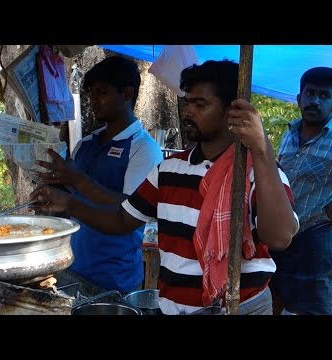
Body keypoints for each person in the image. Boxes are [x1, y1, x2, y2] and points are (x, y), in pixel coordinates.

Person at [30, 60, 299, 315]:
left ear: (233, 111)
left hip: (241, 307)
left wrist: (261, 149)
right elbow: (122, 218)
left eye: (200, 103)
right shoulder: (170, 169)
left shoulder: (257, 171)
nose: (188, 111)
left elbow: (279, 238)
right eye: (187, 102)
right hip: (174, 306)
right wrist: (69, 204)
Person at [34, 55, 163, 295]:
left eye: (102, 92)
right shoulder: (85, 144)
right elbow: (69, 197)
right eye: (91, 93)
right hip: (70, 266)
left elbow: (131, 209)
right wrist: (49, 195)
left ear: (126, 94)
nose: (93, 100)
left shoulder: (144, 149)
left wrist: (77, 180)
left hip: (114, 278)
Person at [269, 67, 332, 315]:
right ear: (299, 98)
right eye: (310, 93)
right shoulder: (290, 134)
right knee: (274, 300)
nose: (315, 101)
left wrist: (326, 215)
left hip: (315, 238)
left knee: (313, 308)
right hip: (280, 238)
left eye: (325, 96)